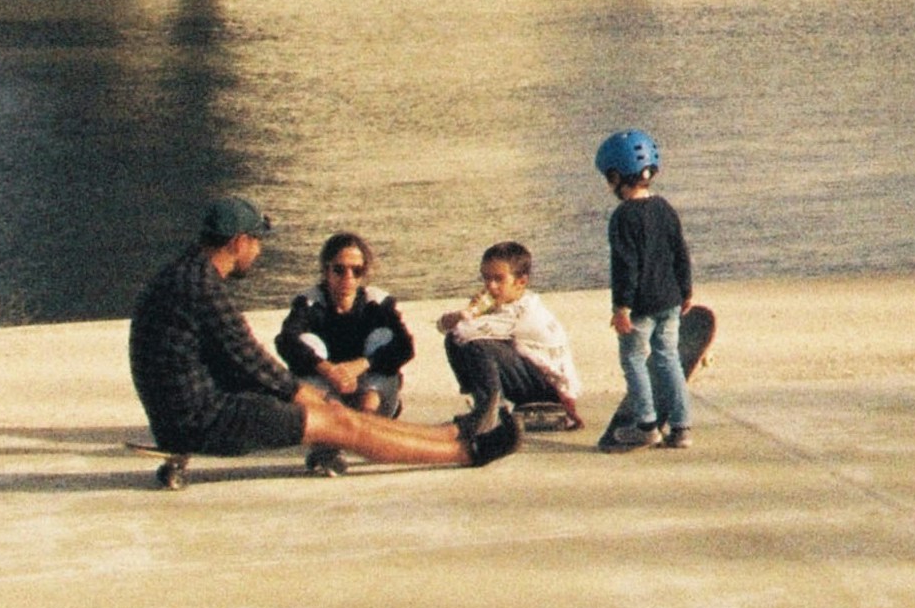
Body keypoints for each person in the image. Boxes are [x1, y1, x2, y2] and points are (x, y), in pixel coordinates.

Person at [128, 195, 516, 484]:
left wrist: (302, 392)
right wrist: (303, 393)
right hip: (201, 420)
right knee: (337, 423)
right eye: (257, 242)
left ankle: (448, 433)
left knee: (336, 411)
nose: (258, 251)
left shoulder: (185, 273)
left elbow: (235, 361)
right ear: (237, 242)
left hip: (193, 407)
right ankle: (466, 452)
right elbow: (249, 360)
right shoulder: (203, 288)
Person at [597, 127, 696, 450]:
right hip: (670, 300)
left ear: (616, 176)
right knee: (669, 359)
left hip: (640, 306)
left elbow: (625, 266)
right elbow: (680, 253)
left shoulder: (623, 217)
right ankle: (682, 428)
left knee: (634, 361)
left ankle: (647, 425)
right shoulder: (665, 208)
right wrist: (686, 291)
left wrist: (621, 307)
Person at [436, 240, 582, 430]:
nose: (491, 286)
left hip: (550, 389)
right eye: (486, 278)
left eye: (498, 279)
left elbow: (465, 332)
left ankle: (488, 413)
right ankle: (485, 403)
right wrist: (465, 315)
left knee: (474, 345)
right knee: (456, 341)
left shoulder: (522, 312)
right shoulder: (508, 303)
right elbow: (444, 328)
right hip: (531, 376)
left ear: (521, 282)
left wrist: (470, 312)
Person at [273, 232, 417, 420]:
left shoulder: (377, 303)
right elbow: (286, 341)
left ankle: (367, 418)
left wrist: (361, 365)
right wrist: (328, 370)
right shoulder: (309, 303)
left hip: (371, 390)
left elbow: (405, 346)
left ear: (363, 273)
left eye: (356, 270)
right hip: (325, 389)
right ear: (326, 271)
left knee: (384, 336)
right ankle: (334, 417)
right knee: (306, 340)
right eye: (339, 270)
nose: (347, 278)